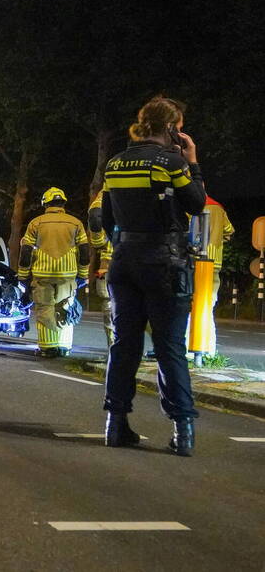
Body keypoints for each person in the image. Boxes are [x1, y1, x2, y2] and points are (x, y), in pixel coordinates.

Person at [102, 96, 206, 457]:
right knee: (169, 347)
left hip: (124, 262)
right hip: (165, 261)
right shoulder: (172, 162)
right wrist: (192, 162)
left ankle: (115, 425)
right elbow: (195, 203)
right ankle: (183, 431)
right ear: (172, 128)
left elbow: (106, 218)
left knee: (124, 344)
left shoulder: (115, 164)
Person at [18, 187, 90, 358]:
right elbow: (85, 251)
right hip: (68, 275)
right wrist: (83, 274)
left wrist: (23, 275)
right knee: (66, 308)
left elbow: (26, 251)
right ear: (63, 202)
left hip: (43, 275)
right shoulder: (76, 223)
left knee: (44, 309)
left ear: (45, 203)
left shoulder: (36, 223)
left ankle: (48, 348)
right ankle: (64, 347)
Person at [201, 195, 234, 354]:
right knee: (208, 305)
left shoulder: (190, 205)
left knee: (189, 305)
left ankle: (192, 349)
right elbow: (229, 231)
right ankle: (209, 349)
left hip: (195, 262)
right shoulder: (218, 208)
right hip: (214, 261)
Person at [88, 188, 114, 349]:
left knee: (111, 307)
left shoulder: (111, 185)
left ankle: (115, 351)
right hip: (146, 259)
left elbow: (95, 214)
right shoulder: (157, 180)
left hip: (111, 260)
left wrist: (99, 242)